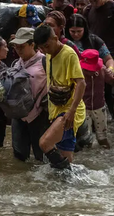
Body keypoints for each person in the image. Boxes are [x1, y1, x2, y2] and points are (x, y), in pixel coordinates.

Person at [34, 24, 86, 170]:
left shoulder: (68, 54)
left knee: (44, 143)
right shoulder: (49, 55)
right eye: (41, 48)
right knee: (66, 163)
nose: (44, 51)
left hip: (69, 111)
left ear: (55, 38)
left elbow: (81, 83)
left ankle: (62, 171)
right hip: (57, 111)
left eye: (46, 46)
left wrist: (71, 111)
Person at [10, 27, 50, 163]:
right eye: (16, 46)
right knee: (19, 156)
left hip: (39, 115)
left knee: (42, 156)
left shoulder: (45, 62)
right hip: (19, 115)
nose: (18, 50)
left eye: (22, 46)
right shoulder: (16, 64)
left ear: (33, 45)